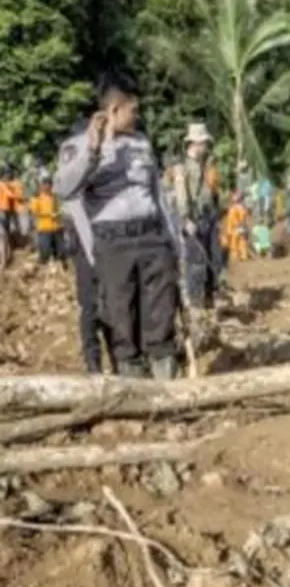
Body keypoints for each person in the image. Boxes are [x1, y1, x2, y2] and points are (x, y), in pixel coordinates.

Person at [53, 78, 181, 379]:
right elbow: (65, 189)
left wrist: (172, 239)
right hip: (113, 241)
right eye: (132, 110)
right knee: (121, 314)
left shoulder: (141, 143)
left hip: (150, 237)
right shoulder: (78, 145)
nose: (137, 116)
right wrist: (94, 149)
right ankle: (132, 383)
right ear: (114, 109)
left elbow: (157, 195)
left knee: (160, 308)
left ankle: (164, 376)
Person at [175, 123, 222, 308]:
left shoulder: (206, 165)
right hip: (194, 219)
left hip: (208, 216)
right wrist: (186, 218)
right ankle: (196, 305)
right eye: (203, 143)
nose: (206, 147)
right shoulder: (183, 167)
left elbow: (212, 191)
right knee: (195, 263)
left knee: (214, 260)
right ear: (194, 143)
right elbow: (181, 195)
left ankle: (210, 301)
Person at [28, 171, 65, 267]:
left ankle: (60, 271)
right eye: (46, 185)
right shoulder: (36, 197)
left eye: (50, 185)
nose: (48, 187)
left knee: (60, 252)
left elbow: (59, 208)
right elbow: (35, 213)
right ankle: (42, 271)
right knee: (44, 253)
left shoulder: (54, 196)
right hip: (44, 228)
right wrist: (49, 214)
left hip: (57, 227)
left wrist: (59, 213)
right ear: (42, 186)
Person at [221, 192, 251, 262]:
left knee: (235, 244)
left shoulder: (233, 208)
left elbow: (236, 219)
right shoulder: (240, 208)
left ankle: (237, 257)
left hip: (234, 228)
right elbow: (243, 218)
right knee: (241, 242)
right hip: (237, 228)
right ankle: (242, 256)